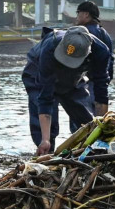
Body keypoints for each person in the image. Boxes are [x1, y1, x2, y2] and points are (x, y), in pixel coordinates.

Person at [22, 25, 110, 155]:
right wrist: (45, 139)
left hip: (74, 77)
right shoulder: (49, 47)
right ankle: (46, 151)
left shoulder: (101, 51)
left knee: (86, 121)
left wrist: (101, 128)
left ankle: (86, 148)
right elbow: (45, 96)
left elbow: (101, 91)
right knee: (47, 121)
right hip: (38, 72)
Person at [75, 1, 114, 111]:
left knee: (81, 115)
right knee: (98, 115)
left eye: (78, 13)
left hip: (87, 80)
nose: (76, 17)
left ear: (86, 14)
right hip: (102, 80)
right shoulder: (104, 33)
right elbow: (110, 59)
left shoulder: (84, 33)